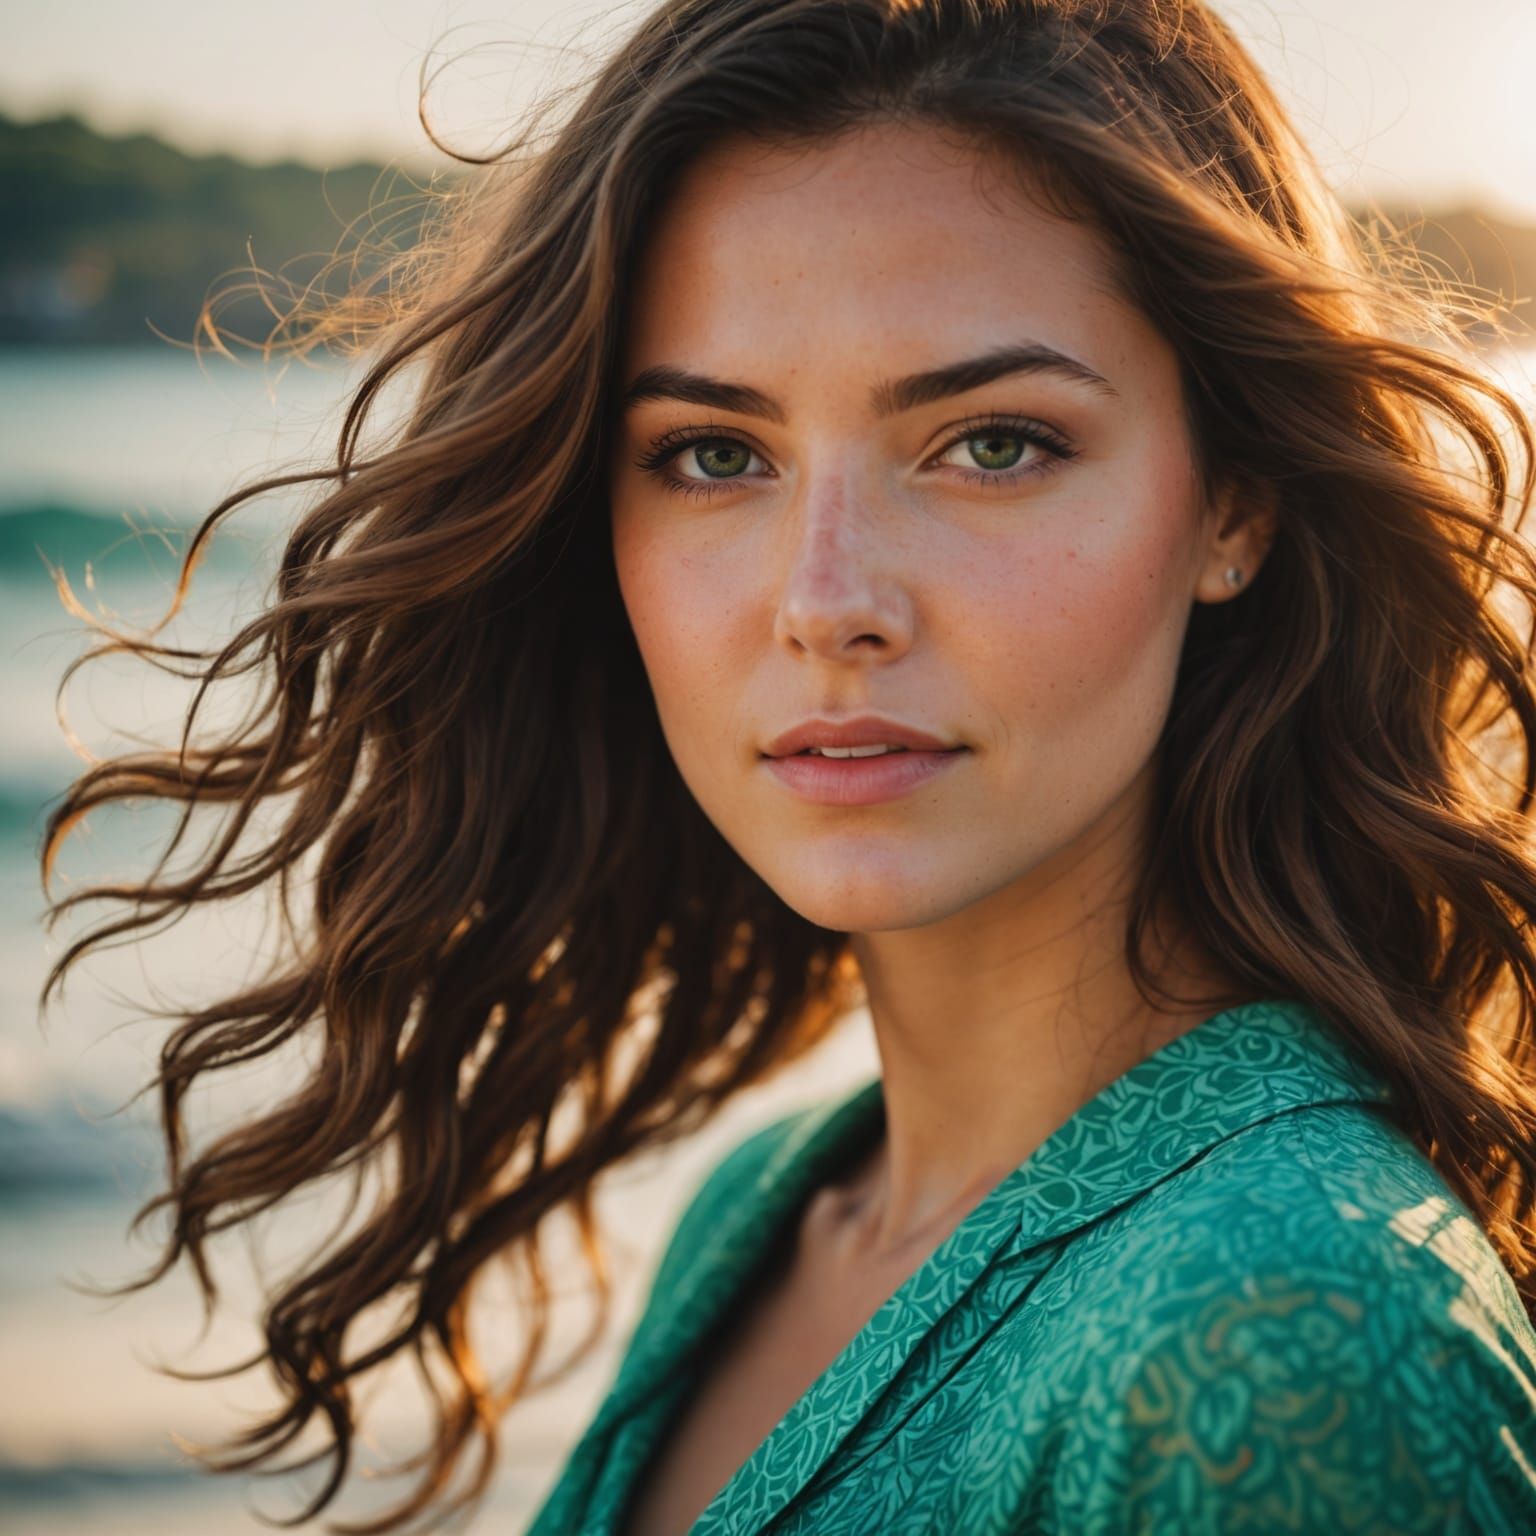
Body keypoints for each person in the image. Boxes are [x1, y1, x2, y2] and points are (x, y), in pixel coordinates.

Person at [38, 0, 1536, 1532]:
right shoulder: (758, 1218)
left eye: (995, 443)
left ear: (1236, 504)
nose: (827, 604)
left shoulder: (1279, 1332)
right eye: (715, 456)